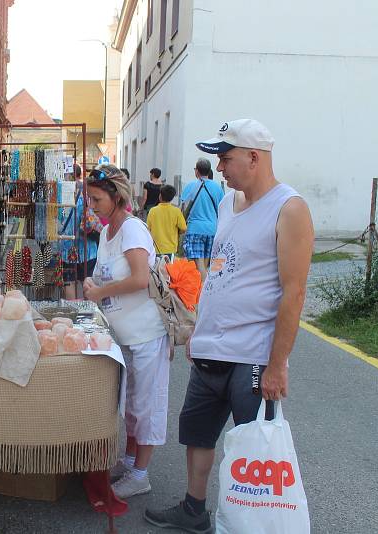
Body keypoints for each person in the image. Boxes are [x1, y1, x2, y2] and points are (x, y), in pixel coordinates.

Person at [143, 119, 314, 532]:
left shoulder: (289, 209)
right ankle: (194, 509)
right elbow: (219, 273)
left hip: (252, 356)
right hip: (210, 350)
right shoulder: (225, 203)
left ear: (254, 158)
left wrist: (277, 365)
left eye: (226, 157)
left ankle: (253, 522)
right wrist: (199, 330)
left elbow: (294, 294)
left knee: (254, 450)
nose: (220, 166)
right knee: (198, 435)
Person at [82, 164, 171, 501]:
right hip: (123, 337)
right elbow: (105, 275)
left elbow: (140, 279)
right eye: (90, 199)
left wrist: (102, 293)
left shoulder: (133, 230)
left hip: (146, 333)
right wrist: (94, 284)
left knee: (146, 404)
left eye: (96, 199)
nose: (92, 206)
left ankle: (141, 475)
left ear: (116, 197)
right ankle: (131, 461)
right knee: (131, 403)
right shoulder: (107, 234)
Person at [179, 158, 223, 282]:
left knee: (198, 264)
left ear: (196, 171)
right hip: (212, 229)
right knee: (206, 263)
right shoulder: (217, 188)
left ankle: (203, 290)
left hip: (195, 229)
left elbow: (183, 208)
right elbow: (221, 210)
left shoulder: (190, 186)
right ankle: (205, 288)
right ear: (209, 171)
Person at [61, 164, 100, 298]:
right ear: (79, 173)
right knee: (88, 282)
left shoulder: (61, 191)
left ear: (68, 174)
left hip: (67, 246)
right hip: (87, 246)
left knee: (69, 282)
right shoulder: (88, 190)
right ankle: (89, 314)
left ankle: (72, 314)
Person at [146, 184, 186, 260]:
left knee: (157, 270)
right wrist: (177, 232)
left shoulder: (153, 211)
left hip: (156, 248)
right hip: (171, 248)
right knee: (168, 270)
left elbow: (148, 229)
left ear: (160, 196)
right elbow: (183, 228)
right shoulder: (176, 211)